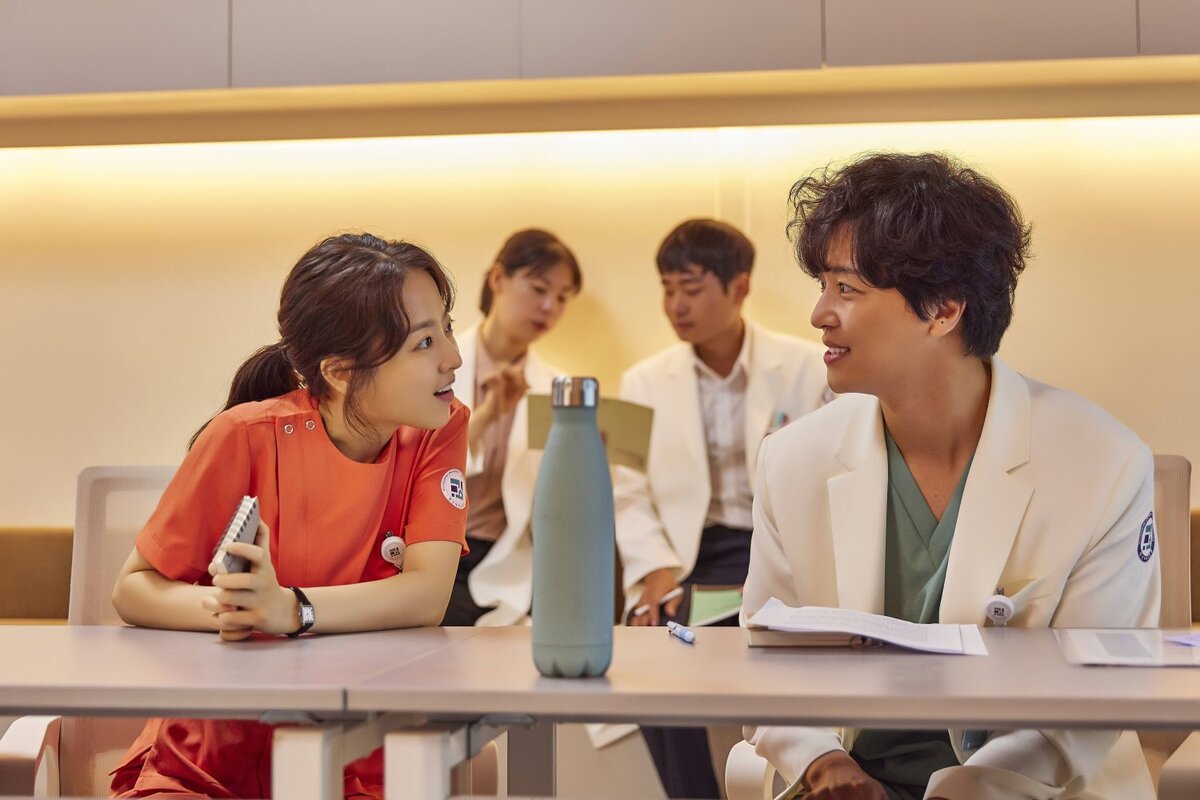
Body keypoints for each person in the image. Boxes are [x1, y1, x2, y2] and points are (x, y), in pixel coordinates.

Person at [742, 152, 1160, 800]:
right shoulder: (792, 460)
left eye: (847, 288)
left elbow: (1092, 702)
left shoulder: (1103, 463)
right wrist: (827, 767)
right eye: (822, 285)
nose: (819, 313)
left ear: (942, 309)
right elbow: (766, 664)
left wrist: (963, 792)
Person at [109, 232, 468, 799]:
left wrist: (291, 609)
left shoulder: (438, 429)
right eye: (424, 342)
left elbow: (427, 595)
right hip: (208, 765)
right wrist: (233, 609)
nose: (454, 356)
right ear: (341, 371)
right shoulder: (244, 435)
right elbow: (134, 589)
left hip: (358, 759)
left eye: (446, 328)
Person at [615, 218, 829, 798]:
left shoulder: (809, 368)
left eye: (691, 288)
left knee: (782, 643)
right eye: (667, 289)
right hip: (690, 557)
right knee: (649, 651)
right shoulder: (640, 382)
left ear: (739, 288)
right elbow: (626, 491)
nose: (676, 306)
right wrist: (654, 571)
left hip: (776, 545)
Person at [440, 228, 582, 627]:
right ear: (499, 279)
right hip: (437, 549)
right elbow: (424, 466)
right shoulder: (436, 366)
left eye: (562, 297)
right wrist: (487, 414)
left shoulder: (558, 390)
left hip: (509, 559)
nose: (549, 306)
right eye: (539, 289)